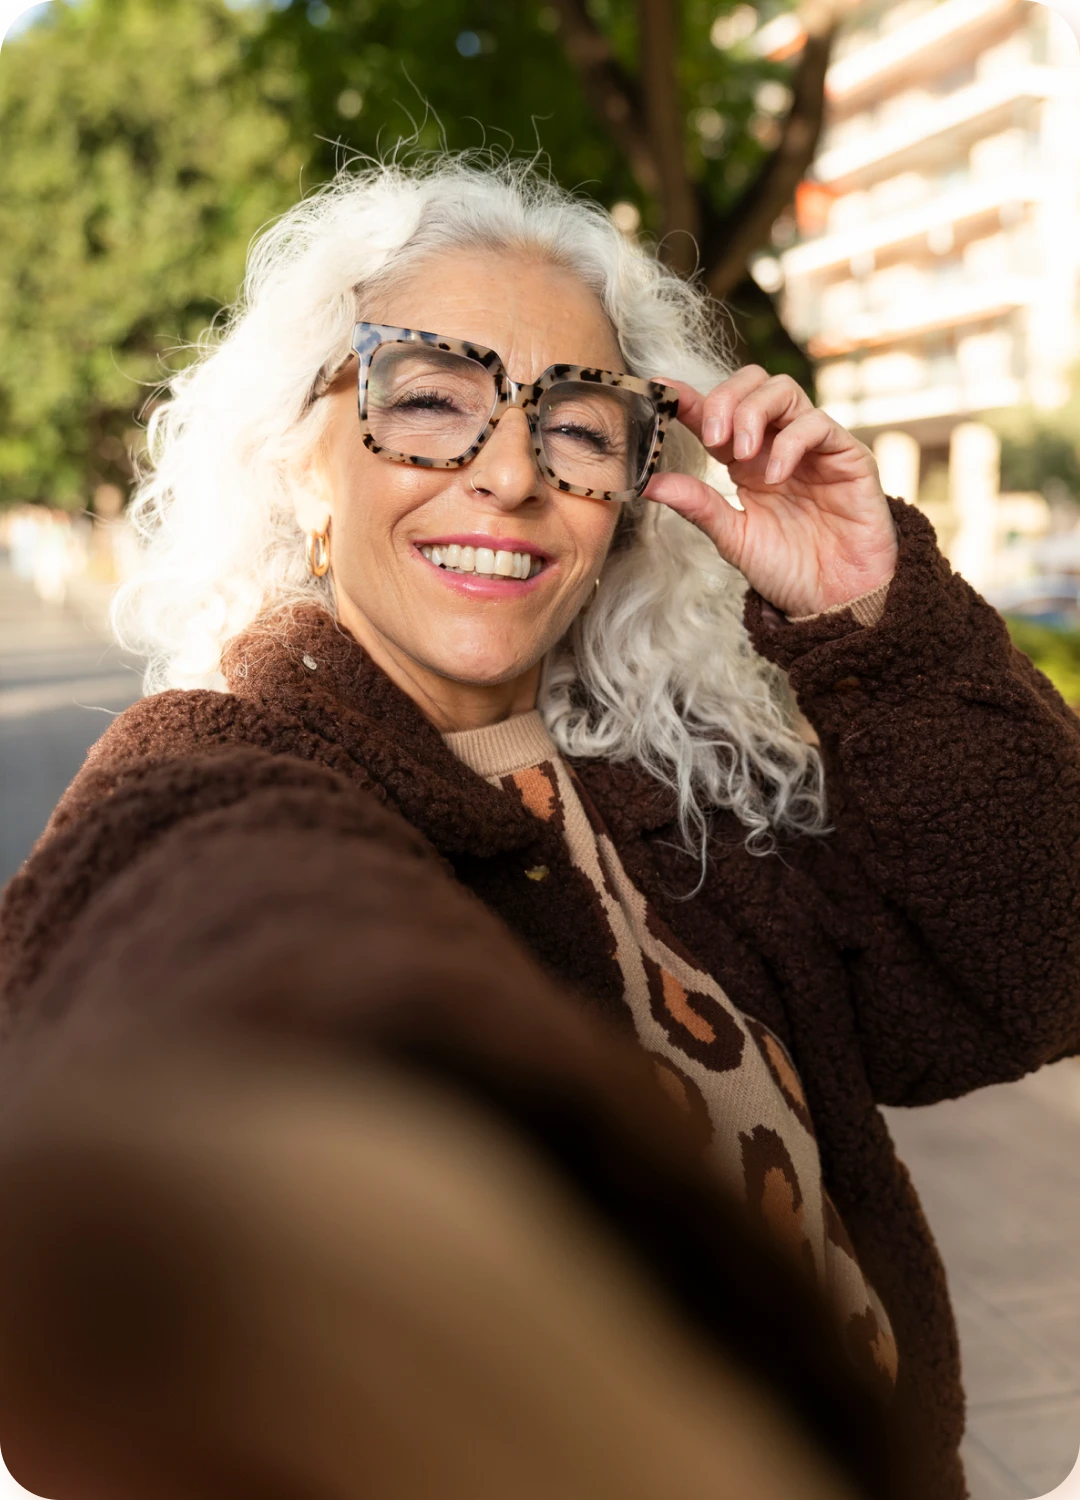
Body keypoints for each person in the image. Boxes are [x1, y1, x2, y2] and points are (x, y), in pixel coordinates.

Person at [1, 153, 1078, 1499]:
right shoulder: (216, 762)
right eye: (432, 398)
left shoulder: (673, 790)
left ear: (635, 488)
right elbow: (226, 973)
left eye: (577, 424)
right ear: (301, 459)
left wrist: (875, 624)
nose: (509, 471)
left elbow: (1029, 969)